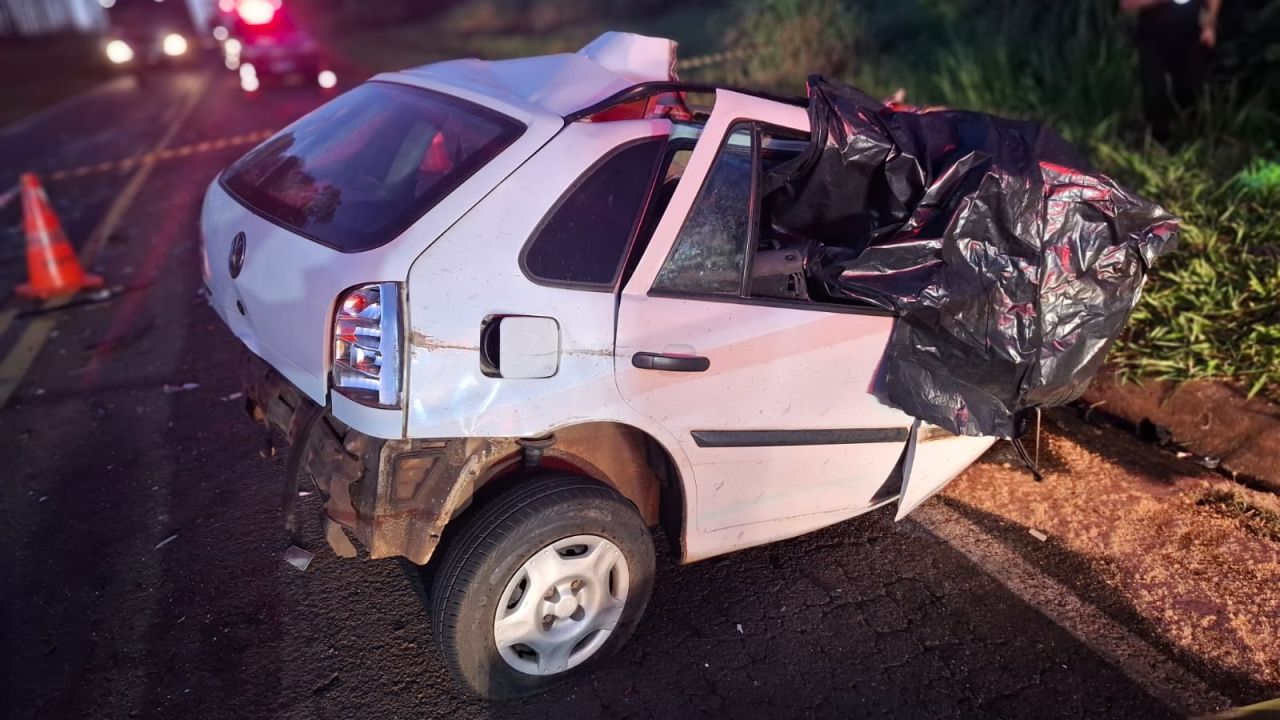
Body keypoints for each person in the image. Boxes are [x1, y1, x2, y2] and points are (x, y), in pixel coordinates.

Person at [1121, 0, 1221, 142]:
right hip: (1152, 37)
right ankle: (1158, 140)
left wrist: (1209, 25)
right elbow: (1127, 4)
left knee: (1189, 89)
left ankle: (1191, 138)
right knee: (1154, 91)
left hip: (1190, 35)